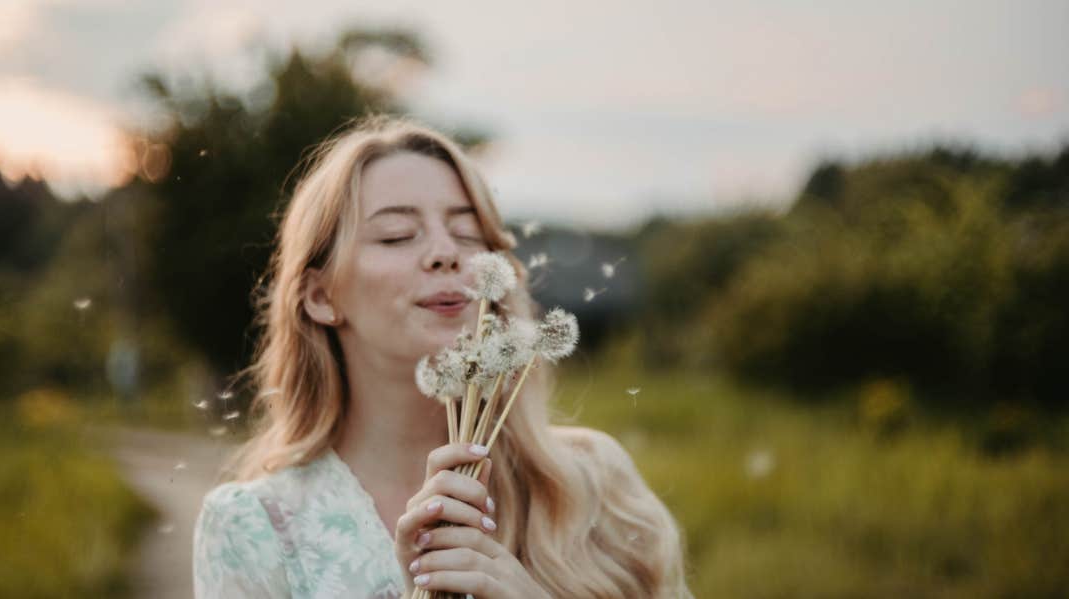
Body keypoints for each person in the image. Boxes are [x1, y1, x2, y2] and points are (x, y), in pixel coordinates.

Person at [192, 115, 694, 598]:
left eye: (467, 232)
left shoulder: (592, 484)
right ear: (321, 297)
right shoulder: (251, 528)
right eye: (397, 235)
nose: (445, 252)